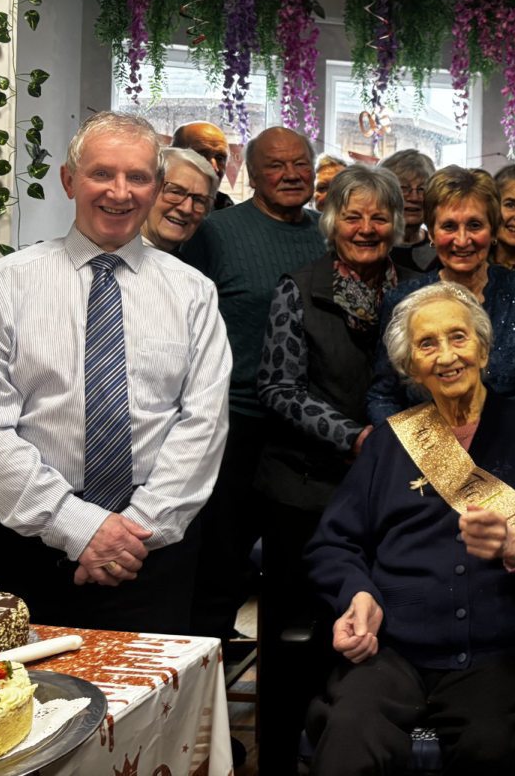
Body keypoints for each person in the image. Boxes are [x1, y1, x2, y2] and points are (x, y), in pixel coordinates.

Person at [0, 112, 231, 631]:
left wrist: (130, 534)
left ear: (157, 187)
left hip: (148, 557)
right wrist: (81, 527)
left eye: (138, 177)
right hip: (24, 550)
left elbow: (202, 427)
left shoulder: (193, 294)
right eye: (102, 173)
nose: (119, 193)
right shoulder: (2, 287)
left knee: (148, 708)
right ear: (69, 179)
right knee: (11, 705)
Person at [305, 282, 515, 776]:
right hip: (391, 651)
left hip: (494, 655)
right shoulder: (390, 442)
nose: (446, 356)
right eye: (427, 344)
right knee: (347, 744)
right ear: (409, 366)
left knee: (491, 749)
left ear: (482, 346)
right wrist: (356, 593)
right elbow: (334, 542)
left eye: (458, 337)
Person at [254, 165, 420, 772]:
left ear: (398, 225)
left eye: (380, 217)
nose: (367, 227)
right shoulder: (299, 288)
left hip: (397, 488)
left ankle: (358, 750)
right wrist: (355, 437)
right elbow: (277, 386)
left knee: (375, 632)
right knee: (297, 641)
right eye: (353, 215)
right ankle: (280, 759)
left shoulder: (419, 289)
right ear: (331, 223)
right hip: (306, 487)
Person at [179, 126, 328, 647]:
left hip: (308, 431)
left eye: (300, 163)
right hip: (234, 424)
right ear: (251, 174)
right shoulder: (215, 233)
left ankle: (289, 705)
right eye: (275, 165)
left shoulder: (327, 232)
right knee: (220, 566)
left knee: (301, 573)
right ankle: (207, 710)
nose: (290, 175)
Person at [366, 167, 515, 437]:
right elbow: (382, 397)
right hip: (429, 459)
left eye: (475, 225)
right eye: (448, 226)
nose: (462, 240)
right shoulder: (404, 301)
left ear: (493, 230)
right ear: (431, 232)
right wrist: (413, 447)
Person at [140, 146, 217, 253]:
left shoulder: (189, 267)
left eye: (199, 200)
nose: (187, 209)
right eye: (176, 192)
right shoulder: (113, 257)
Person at [379, 149, 436, 272]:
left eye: (422, 189)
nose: (414, 197)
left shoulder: (441, 248)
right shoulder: (370, 247)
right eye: (403, 188)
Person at [172, 120, 234, 211]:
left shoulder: (225, 208)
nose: (213, 168)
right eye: (202, 156)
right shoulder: (150, 202)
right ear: (174, 158)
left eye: (220, 158)